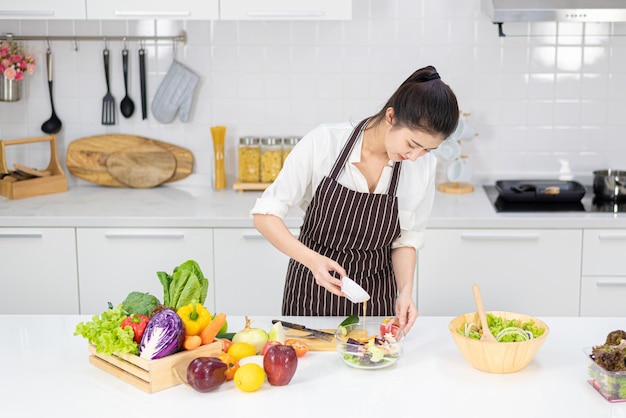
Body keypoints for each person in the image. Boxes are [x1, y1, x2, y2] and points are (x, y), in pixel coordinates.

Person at [251, 65, 459, 334]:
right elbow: (265, 216)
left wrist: (405, 292)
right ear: (391, 116)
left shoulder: (421, 167)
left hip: (376, 299)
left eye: (427, 150)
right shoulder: (324, 143)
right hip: (312, 290)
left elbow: (405, 239)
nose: (415, 157)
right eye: (411, 145)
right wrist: (312, 261)